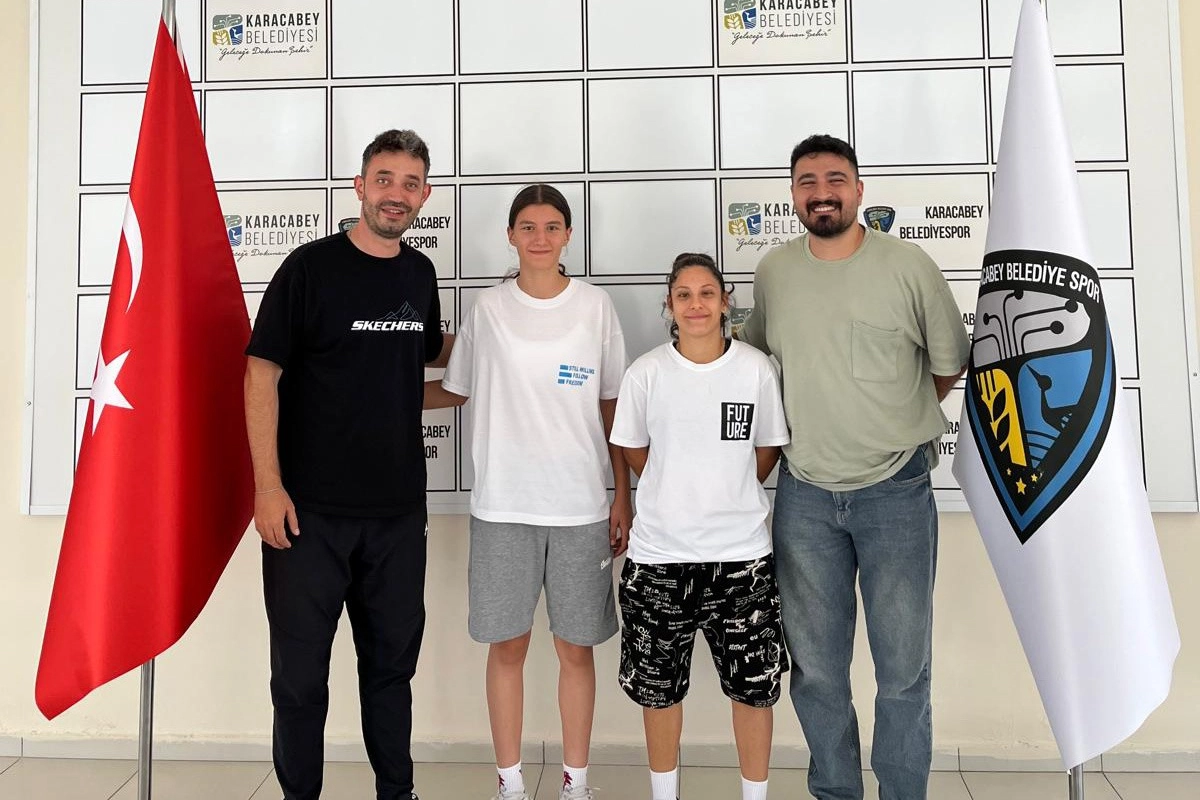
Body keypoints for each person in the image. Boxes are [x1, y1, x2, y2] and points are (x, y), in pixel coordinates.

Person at [738, 134, 971, 800]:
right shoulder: (774, 272)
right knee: (816, 672)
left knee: (903, 673)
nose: (822, 193)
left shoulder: (908, 265)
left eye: (835, 180)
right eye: (807, 182)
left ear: (859, 190)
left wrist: (892, 421)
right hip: (805, 498)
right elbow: (752, 364)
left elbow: (948, 364)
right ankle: (836, 793)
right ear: (793, 196)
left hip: (895, 493)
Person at [244, 129, 451, 800]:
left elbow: (410, 371)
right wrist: (268, 487)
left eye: (411, 183)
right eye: (384, 179)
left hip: (397, 515)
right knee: (300, 680)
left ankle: (398, 792)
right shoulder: (309, 269)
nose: (397, 194)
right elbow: (261, 375)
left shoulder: (419, 275)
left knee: (391, 672)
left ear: (424, 196)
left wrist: (514, 356)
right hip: (307, 514)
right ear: (360, 187)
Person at [424, 184, 631, 800]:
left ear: (568, 235)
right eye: (528, 227)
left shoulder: (596, 307)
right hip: (504, 506)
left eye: (552, 227)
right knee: (508, 645)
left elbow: (613, 407)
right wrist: (369, 394)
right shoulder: (488, 309)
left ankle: (575, 782)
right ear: (511, 236)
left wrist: (622, 494)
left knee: (575, 649)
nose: (540, 238)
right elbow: (456, 390)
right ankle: (510, 783)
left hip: (580, 508)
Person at [610, 253, 791, 800]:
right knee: (659, 692)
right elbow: (634, 450)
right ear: (669, 305)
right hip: (659, 560)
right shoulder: (646, 373)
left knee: (754, 690)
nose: (696, 304)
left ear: (725, 301)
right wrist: (677, 488)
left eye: (707, 293)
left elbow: (766, 450)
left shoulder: (756, 369)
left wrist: (725, 492)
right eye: (683, 295)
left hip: (741, 559)